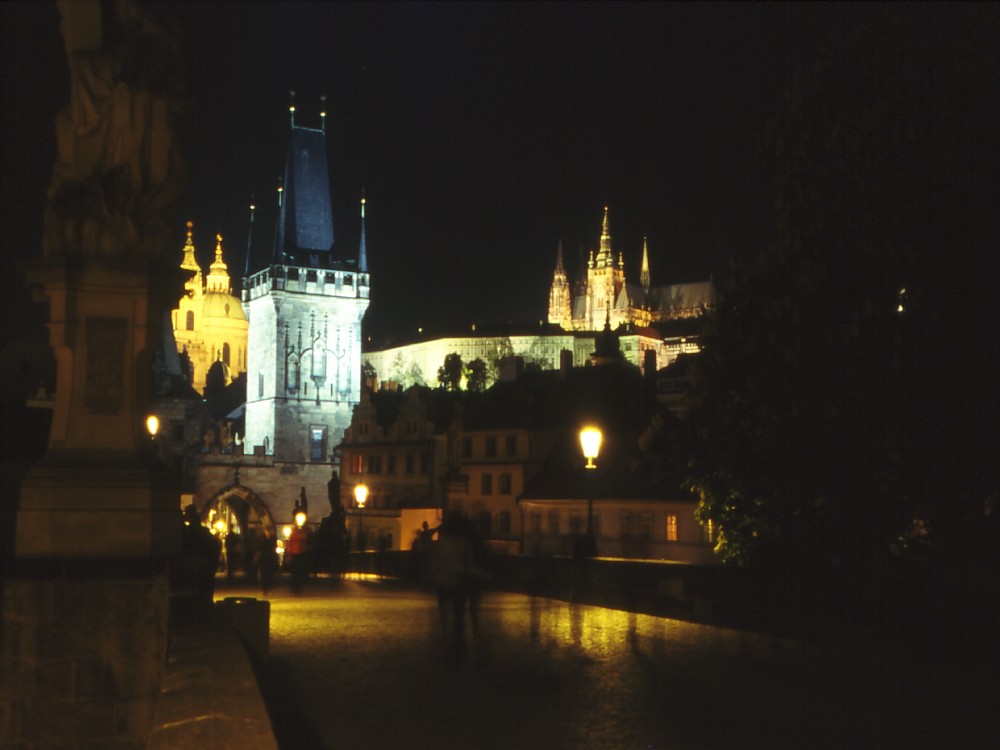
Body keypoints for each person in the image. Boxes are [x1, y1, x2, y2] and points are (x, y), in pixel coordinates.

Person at [181, 504, 221, 609]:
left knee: (199, 591)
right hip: (204, 565)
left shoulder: (192, 531)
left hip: (199, 565)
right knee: (204, 591)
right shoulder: (203, 531)